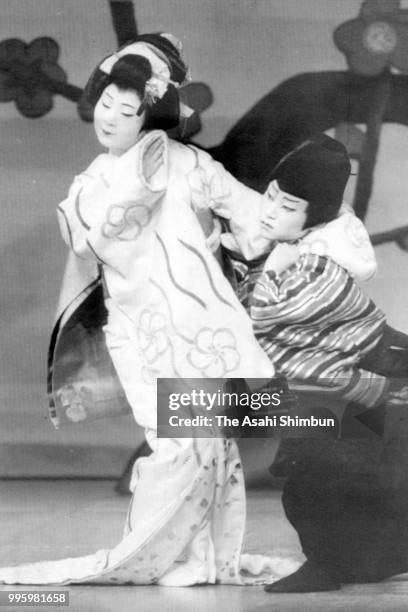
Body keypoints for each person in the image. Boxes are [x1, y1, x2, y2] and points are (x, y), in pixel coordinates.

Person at [0, 33, 299, 587]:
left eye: (127, 109)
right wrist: (139, 183)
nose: (109, 117)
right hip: (144, 330)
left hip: (202, 324)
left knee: (208, 442)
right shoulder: (94, 180)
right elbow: (89, 240)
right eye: (106, 104)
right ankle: (152, 555)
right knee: (176, 443)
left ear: (150, 115)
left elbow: (248, 211)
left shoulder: (188, 164)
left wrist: (279, 225)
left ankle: (202, 558)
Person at [225, 134, 408, 592]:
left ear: (315, 215)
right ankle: (350, 561)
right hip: (346, 379)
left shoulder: (318, 263)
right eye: (270, 197)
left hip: (355, 378)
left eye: (287, 207)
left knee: (317, 478)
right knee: (336, 476)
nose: (269, 212)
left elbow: (266, 314)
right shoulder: (302, 247)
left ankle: (328, 565)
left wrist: (265, 271)